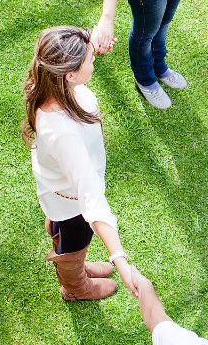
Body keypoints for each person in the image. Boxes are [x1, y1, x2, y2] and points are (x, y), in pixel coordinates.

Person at [24, 25, 140, 301]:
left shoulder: (56, 84)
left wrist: (95, 38)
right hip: (71, 201)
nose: (94, 60)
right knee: (75, 238)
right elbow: (91, 199)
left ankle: (76, 266)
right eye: (90, 58)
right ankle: (75, 286)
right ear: (70, 74)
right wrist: (120, 260)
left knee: (64, 232)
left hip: (60, 189)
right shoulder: (63, 133)